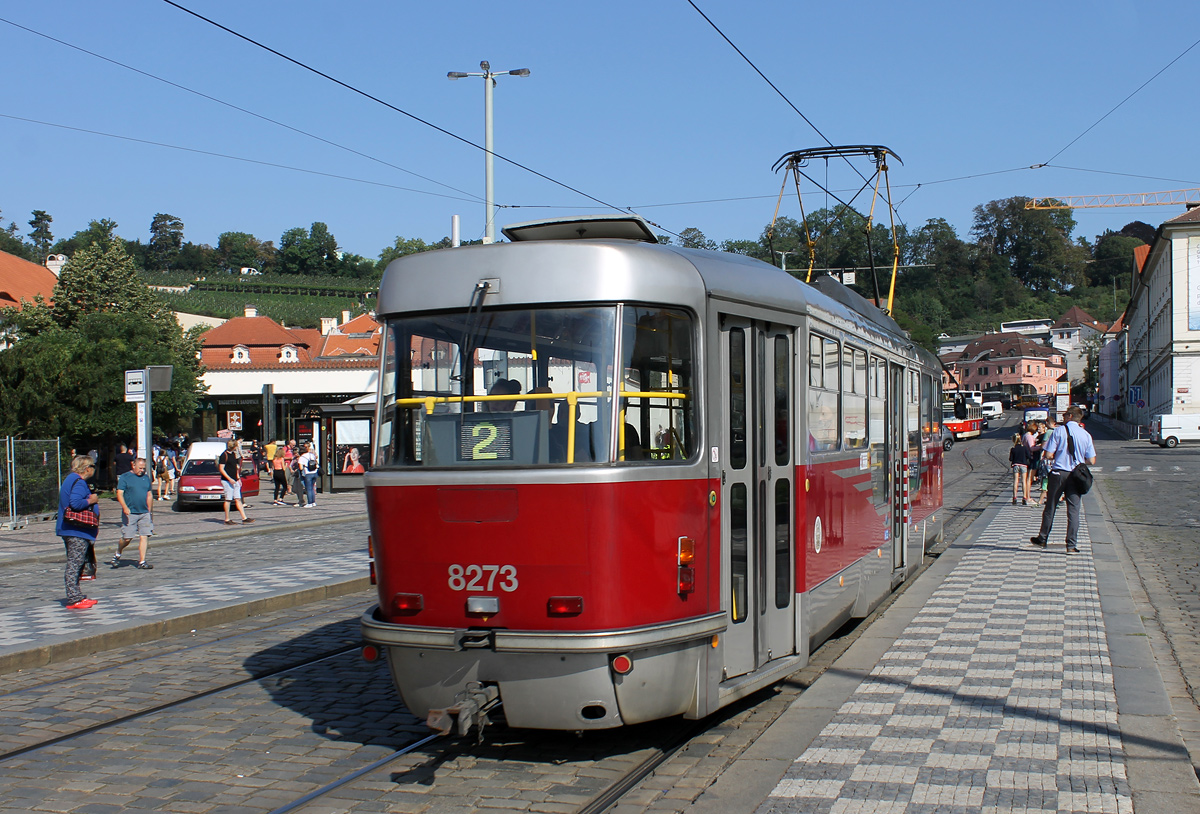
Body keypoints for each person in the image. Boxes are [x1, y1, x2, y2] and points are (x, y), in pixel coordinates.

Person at [1030, 405, 1096, 555]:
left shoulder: (1059, 431)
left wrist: (1058, 456)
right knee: (1074, 510)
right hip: (1076, 475)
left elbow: (1047, 455)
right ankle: (1071, 545)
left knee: (1051, 506)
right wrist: (1079, 460)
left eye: (1066, 415)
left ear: (1070, 416)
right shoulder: (1086, 435)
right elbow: (1092, 460)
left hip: (1059, 473)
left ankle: (1043, 538)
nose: (1064, 417)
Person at [58, 455, 100, 608]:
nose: (94, 470)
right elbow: (75, 503)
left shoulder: (70, 479)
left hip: (71, 529)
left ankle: (76, 595)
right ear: (87, 468)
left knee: (76, 563)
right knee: (74, 564)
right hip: (76, 529)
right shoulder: (79, 482)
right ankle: (74, 598)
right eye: (93, 467)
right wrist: (92, 500)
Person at [113, 457, 155, 570]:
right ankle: (118, 553)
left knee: (144, 536)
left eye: (143, 468)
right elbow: (119, 493)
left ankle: (142, 561)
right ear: (133, 465)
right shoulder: (125, 477)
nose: (142, 470)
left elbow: (149, 494)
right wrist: (125, 507)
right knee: (127, 538)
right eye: (140, 468)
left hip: (144, 512)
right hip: (130, 512)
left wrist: (149, 511)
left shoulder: (146, 478)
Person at [219, 439, 255, 525]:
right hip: (227, 481)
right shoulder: (224, 455)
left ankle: (244, 518)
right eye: (236, 446)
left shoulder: (233, 454)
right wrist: (229, 478)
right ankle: (227, 519)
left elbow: (235, 467)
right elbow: (221, 469)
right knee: (228, 499)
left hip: (234, 480)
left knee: (238, 499)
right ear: (234, 446)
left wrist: (238, 478)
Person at [1009, 433, 1031, 505]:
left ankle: (1015, 497)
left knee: (1016, 481)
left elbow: (1011, 459)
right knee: (1023, 481)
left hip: (1015, 465)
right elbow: (1029, 456)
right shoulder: (1024, 448)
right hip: (1023, 465)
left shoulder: (1013, 449)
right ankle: (1024, 497)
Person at [297, 443, 319, 508]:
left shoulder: (301, 458)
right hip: (315, 472)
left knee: (308, 489)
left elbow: (301, 468)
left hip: (308, 473)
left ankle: (309, 503)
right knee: (312, 488)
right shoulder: (311, 455)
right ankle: (313, 502)